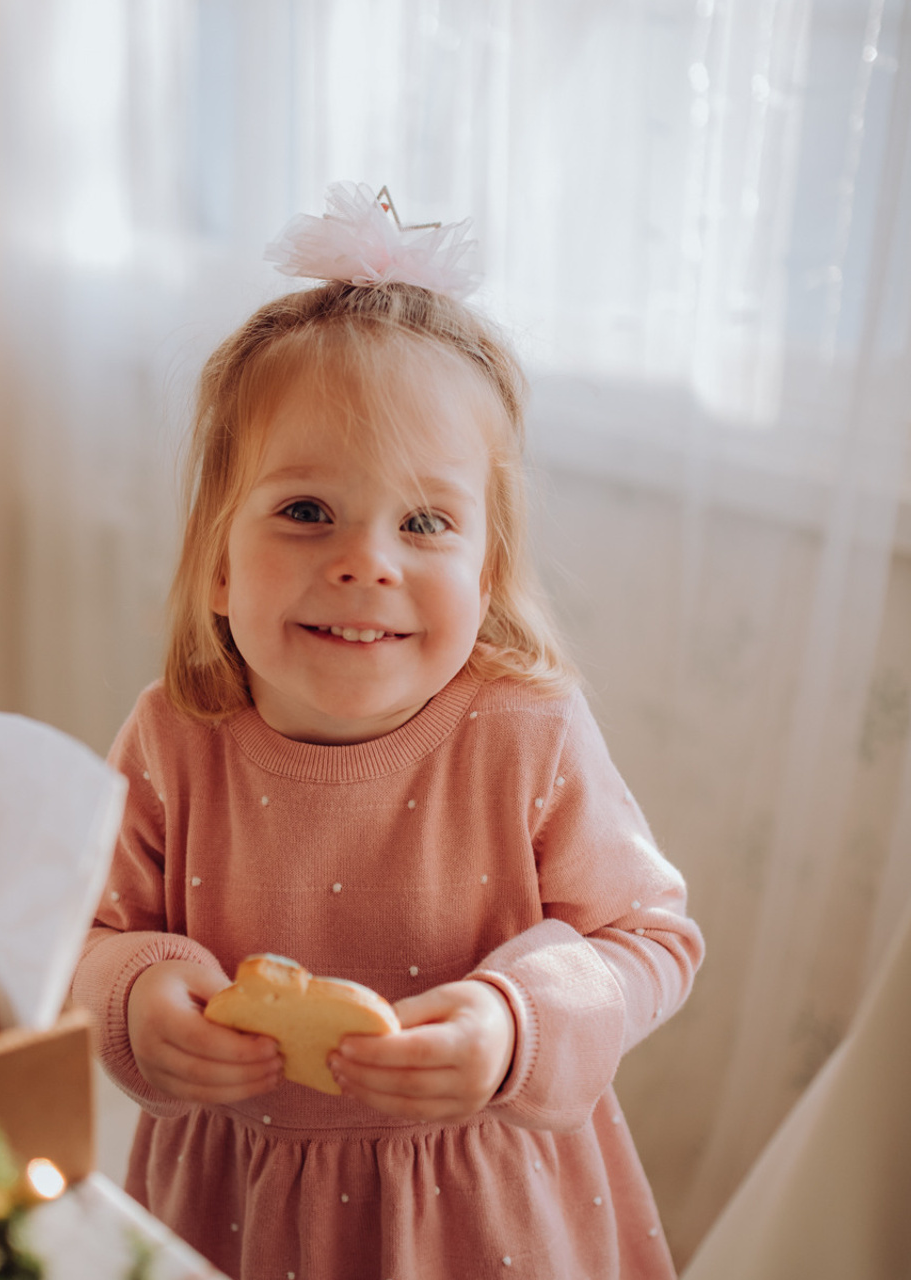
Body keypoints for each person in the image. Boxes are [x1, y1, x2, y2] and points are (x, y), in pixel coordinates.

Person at [72, 183, 704, 1280]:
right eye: (306, 510)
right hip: (234, 1202)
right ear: (218, 562)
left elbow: (649, 940)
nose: (367, 560)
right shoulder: (173, 739)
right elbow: (74, 930)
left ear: (484, 570)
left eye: (424, 522)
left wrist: (517, 1024)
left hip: (486, 1208)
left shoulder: (527, 733)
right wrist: (126, 992)